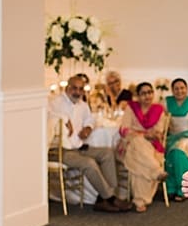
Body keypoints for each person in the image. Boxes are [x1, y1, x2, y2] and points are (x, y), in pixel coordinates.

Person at [47, 73, 129, 212]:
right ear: (67, 87)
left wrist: (88, 127)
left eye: (80, 89)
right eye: (74, 88)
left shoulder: (83, 105)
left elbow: (90, 119)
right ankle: (110, 199)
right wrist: (65, 119)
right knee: (89, 163)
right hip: (61, 150)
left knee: (108, 153)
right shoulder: (55, 102)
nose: (77, 92)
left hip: (78, 147)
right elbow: (47, 115)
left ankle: (103, 199)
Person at [117, 81, 169, 212]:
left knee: (138, 159)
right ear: (138, 96)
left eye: (150, 92)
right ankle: (156, 171)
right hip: (130, 145)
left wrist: (140, 135)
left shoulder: (158, 110)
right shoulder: (131, 108)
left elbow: (158, 133)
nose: (147, 96)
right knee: (137, 142)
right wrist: (143, 135)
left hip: (151, 146)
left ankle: (140, 201)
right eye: (144, 93)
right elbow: (124, 129)